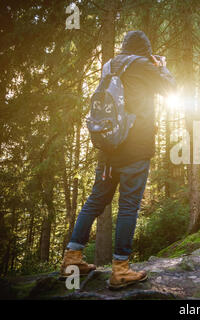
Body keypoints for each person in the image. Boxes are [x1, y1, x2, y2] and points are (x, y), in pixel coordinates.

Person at [59, 30, 176, 289]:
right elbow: (170, 89)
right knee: (128, 206)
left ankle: (72, 258)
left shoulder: (110, 65)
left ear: (124, 47)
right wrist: (162, 66)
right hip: (136, 148)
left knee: (94, 201)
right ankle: (121, 269)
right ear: (145, 50)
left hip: (108, 148)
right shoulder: (145, 65)